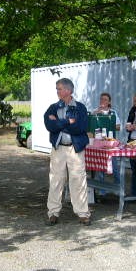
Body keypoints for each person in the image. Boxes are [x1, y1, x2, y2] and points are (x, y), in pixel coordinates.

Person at [44, 78, 91, 226]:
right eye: (57, 89)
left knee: (78, 180)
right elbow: (49, 125)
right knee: (56, 180)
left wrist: (58, 123)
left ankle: (83, 214)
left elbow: (80, 128)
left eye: (59, 88)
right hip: (58, 149)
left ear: (68, 91)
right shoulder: (52, 108)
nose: (57, 91)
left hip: (75, 149)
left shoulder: (80, 108)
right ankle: (53, 213)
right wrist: (66, 122)